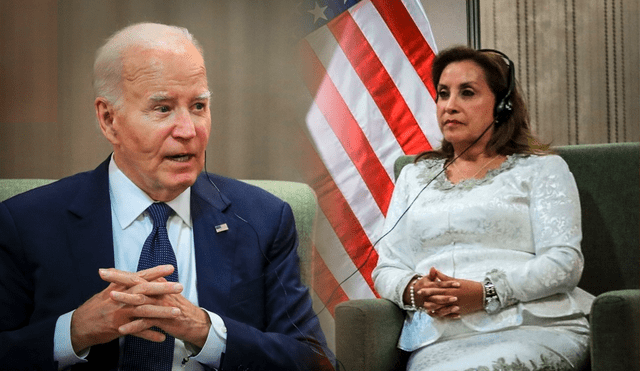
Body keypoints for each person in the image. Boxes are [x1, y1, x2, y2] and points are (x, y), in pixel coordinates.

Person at [0, 22, 333, 371]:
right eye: (163, 109)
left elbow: (315, 361)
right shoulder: (26, 223)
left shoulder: (263, 219)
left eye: (199, 106)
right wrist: (75, 331)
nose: (188, 130)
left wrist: (204, 330)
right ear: (109, 119)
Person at [372, 46, 594, 371]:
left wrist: (486, 292)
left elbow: (565, 262)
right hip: (440, 337)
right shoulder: (413, 176)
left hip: (532, 325)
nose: (449, 106)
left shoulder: (542, 169)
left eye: (467, 93)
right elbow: (387, 267)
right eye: (443, 94)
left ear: (502, 106)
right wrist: (415, 290)